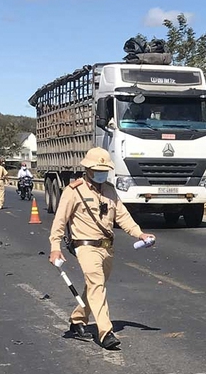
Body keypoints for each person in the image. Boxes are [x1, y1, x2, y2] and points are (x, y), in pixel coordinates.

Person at [48, 148, 154, 349]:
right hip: (85, 247)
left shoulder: (110, 190)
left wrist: (140, 234)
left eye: (105, 169)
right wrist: (55, 247)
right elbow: (59, 221)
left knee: (94, 287)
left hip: (107, 248)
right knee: (96, 284)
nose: (101, 173)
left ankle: (77, 319)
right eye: (98, 169)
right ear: (87, 168)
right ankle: (106, 332)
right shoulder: (74, 191)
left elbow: (122, 216)